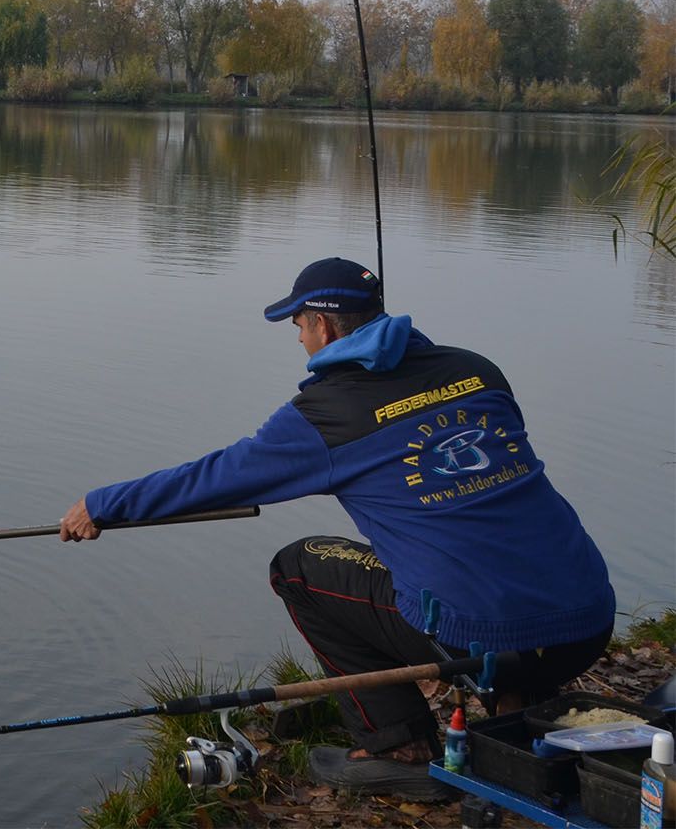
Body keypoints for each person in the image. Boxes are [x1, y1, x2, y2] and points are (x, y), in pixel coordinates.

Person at [59, 257, 613, 801]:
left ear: (321, 325)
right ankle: (513, 706)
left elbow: (214, 478)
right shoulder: (477, 370)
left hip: (477, 638)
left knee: (300, 568)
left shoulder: (326, 413)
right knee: (468, 533)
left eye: (298, 326)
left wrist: (103, 504)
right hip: (587, 620)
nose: (299, 339)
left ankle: (397, 747)